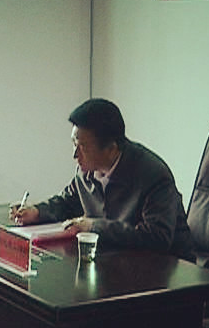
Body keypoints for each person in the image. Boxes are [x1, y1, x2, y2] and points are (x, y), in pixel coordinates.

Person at [11, 98, 195, 261]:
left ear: (111, 149)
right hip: (116, 261)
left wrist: (94, 226)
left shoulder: (153, 175)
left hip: (166, 272)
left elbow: (157, 238)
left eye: (82, 147)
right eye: (74, 144)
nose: (75, 155)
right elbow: (68, 202)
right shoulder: (86, 171)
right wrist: (37, 212)